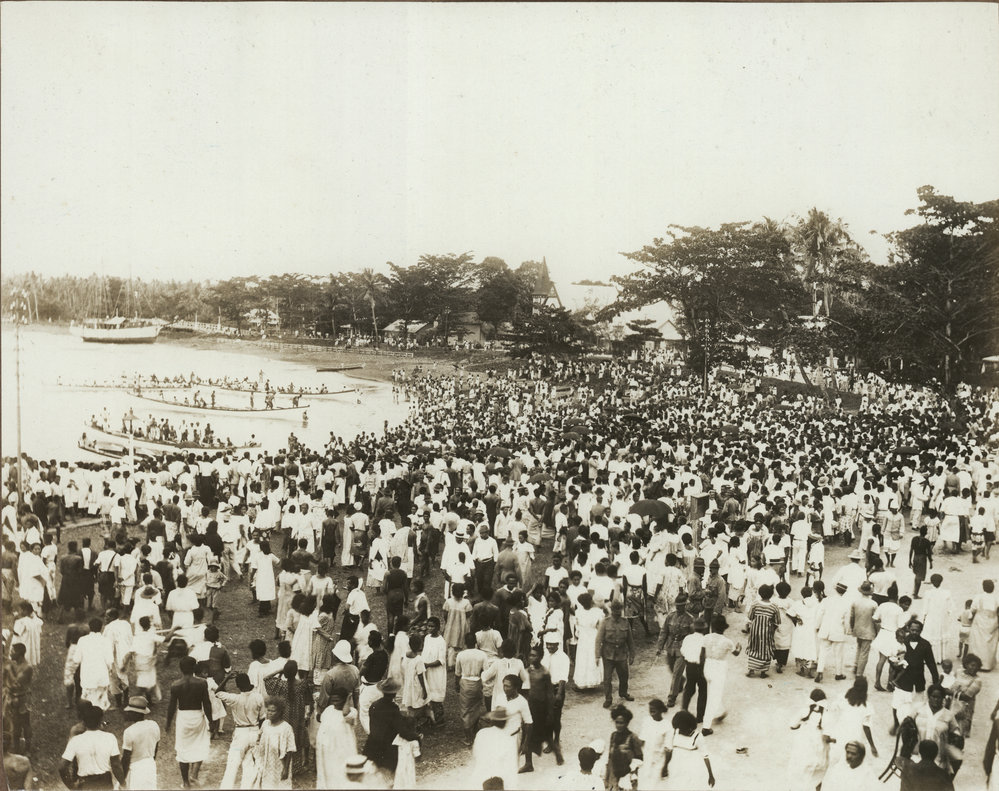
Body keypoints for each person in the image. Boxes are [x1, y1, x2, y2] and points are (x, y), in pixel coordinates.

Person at [165, 655, 212, 789]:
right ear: (194, 668)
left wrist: (168, 723)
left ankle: (186, 782)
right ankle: (194, 775)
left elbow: (171, 706)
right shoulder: (202, 683)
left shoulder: (176, 685)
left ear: (180, 669)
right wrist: (211, 721)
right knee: (200, 744)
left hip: (183, 719)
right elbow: (207, 704)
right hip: (197, 716)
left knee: (183, 749)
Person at [363, 678, 421, 785]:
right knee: (387, 779)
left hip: (372, 744)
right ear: (394, 694)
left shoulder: (374, 705)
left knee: (373, 777)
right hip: (386, 747)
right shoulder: (392, 708)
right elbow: (402, 731)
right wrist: (416, 736)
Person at [58, 703, 125, 790]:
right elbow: (116, 765)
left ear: (83, 721)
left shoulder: (76, 740)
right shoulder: (110, 737)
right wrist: (123, 783)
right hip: (105, 783)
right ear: (101, 720)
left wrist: (72, 787)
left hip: (85, 784)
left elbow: (62, 767)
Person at [216, 673, 266, 789]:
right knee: (249, 766)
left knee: (232, 765)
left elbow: (217, 692)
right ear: (249, 683)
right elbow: (263, 718)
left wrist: (227, 678)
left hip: (240, 734)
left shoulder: (234, 698)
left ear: (238, 686)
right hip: (255, 732)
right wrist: (260, 735)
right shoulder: (258, 697)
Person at [912, 685, 962, 776]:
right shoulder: (919, 709)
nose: (936, 700)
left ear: (943, 698)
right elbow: (907, 725)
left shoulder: (948, 715)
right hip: (918, 755)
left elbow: (956, 733)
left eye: (939, 697)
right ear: (929, 697)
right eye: (933, 697)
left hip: (938, 757)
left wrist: (951, 741)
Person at [826, 678, 878, 761]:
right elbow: (866, 727)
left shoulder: (842, 697)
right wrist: (872, 745)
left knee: (836, 761)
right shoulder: (868, 706)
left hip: (839, 734)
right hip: (854, 737)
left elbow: (831, 709)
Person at [787, 688, 829, 791]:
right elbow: (829, 732)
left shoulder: (804, 710)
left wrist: (801, 723)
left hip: (803, 746)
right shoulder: (826, 713)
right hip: (819, 749)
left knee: (797, 771)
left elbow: (792, 725)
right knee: (818, 774)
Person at [315, 688, 358, 788]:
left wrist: (348, 698)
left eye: (337, 700)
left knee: (341, 769)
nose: (335, 703)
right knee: (329, 769)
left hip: (343, 747)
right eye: (333, 700)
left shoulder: (352, 712)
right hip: (328, 747)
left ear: (344, 700)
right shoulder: (329, 709)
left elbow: (345, 713)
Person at [595, 599, 634, 708]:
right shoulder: (605, 622)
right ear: (611, 610)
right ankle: (608, 698)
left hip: (621, 654)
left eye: (619, 610)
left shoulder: (625, 622)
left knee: (624, 675)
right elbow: (599, 639)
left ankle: (623, 692)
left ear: (621, 610)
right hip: (608, 654)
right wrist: (597, 656)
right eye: (614, 610)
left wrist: (632, 655)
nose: (617, 612)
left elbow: (630, 640)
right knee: (607, 678)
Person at [663, 709, 715, 790]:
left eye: (682, 729)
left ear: (689, 727)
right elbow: (669, 751)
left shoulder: (698, 736)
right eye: (678, 728)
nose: (680, 731)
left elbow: (705, 756)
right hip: (676, 768)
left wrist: (711, 775)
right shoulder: (675, 732)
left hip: (690, 770)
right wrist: (665, 766)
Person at [255, 696, 296, 789]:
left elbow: (290, 749)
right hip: (266, 760)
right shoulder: (265, 724)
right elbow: (259, 739)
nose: (269, 713)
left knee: (280, 784)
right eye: (268, 710)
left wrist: (286, 768)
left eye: (273, 711)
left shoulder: (286, 728)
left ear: (280, 712)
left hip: (279, 763)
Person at [454, 633, 488, 745]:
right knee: (476, 707)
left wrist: (456, 685)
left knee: (465, 710)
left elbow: (457, 673)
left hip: (465, 682)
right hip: (477, 682)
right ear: (476, 642)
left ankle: (468, 738)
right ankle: (474, 730)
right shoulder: (482, 654)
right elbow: (486, 671)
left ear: (465, 642)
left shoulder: (461, 655)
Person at [121, 695, 160, 790]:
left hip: (136, 768)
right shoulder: (154, 725)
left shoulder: (129, 731)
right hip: (150, 765)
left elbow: (126, 758)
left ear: (136, 713)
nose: (127, 713)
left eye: (130, 711)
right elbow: (155, 749)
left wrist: (122, 780)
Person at [603, 704, 642, 791]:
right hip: (614, 776)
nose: (619, 725)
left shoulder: (633, 738)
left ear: (627, 723)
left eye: (621, 723)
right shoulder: (613, 736)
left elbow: (639, 759)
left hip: (627, 777)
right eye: (617, 722)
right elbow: (610, 758)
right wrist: (606, 778)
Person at [745, 583, 780, 678]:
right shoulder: (774, 606)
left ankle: (751, 670)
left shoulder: (755, 604)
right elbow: (777, 622)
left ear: (760, 593)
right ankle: (763, 672)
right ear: (771, 594)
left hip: (755, 631)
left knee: (754, 647)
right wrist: (772, 630)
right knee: (765, 649)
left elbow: (750, 617)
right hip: (767, 632)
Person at [572, 592, 604, 690]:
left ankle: (584, 682)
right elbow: (600, 626)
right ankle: (592, 681)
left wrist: (578, 635)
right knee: (591, 658)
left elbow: (576, 627)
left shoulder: (578, 612)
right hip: (593, 636)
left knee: (583, 659)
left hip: (583, 638)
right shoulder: (598, 612)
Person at [637, 698, 670, 790]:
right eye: (650, 711)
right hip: (646, 759)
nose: (651, 713)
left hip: (659, 762)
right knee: (643, 785)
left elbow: (668, 749)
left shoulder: (667, 725)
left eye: (654, 711)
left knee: (655, 786)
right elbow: (641, 740)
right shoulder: (647, 721)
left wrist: (665, 767)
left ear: (660, 711)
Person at [968, 579, 999, 671]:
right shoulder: (996, 598)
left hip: (980, 622)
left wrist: (970, 618)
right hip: (992, 622)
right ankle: (988, 664)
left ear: (983, 588)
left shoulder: (979, 597)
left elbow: (973, 609)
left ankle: (977, 663)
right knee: (989, 644)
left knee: (978, 643)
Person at [949, 653, 982, 738]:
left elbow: (966, 696)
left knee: (960, 729)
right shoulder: (959, 672)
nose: (974, 668)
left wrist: (949, 692)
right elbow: (951, 683)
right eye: (972, 665)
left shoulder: (977, 680)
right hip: (953, 703)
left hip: (965, 707)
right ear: (966, 664)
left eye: (976, 666)